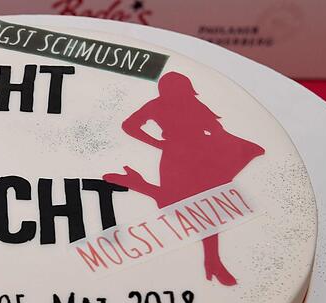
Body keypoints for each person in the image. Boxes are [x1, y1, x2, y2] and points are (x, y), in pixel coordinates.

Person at [103, 72, 264, 286]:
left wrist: (226, 146)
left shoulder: (188, 105)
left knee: (203, 207)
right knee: (187, 204)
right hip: (180, 157)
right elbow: (129, 125)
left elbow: (216, 129)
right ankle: (213, 261)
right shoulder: (160, 105)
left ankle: (213, 260)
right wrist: (158, 144)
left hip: (198, 156)